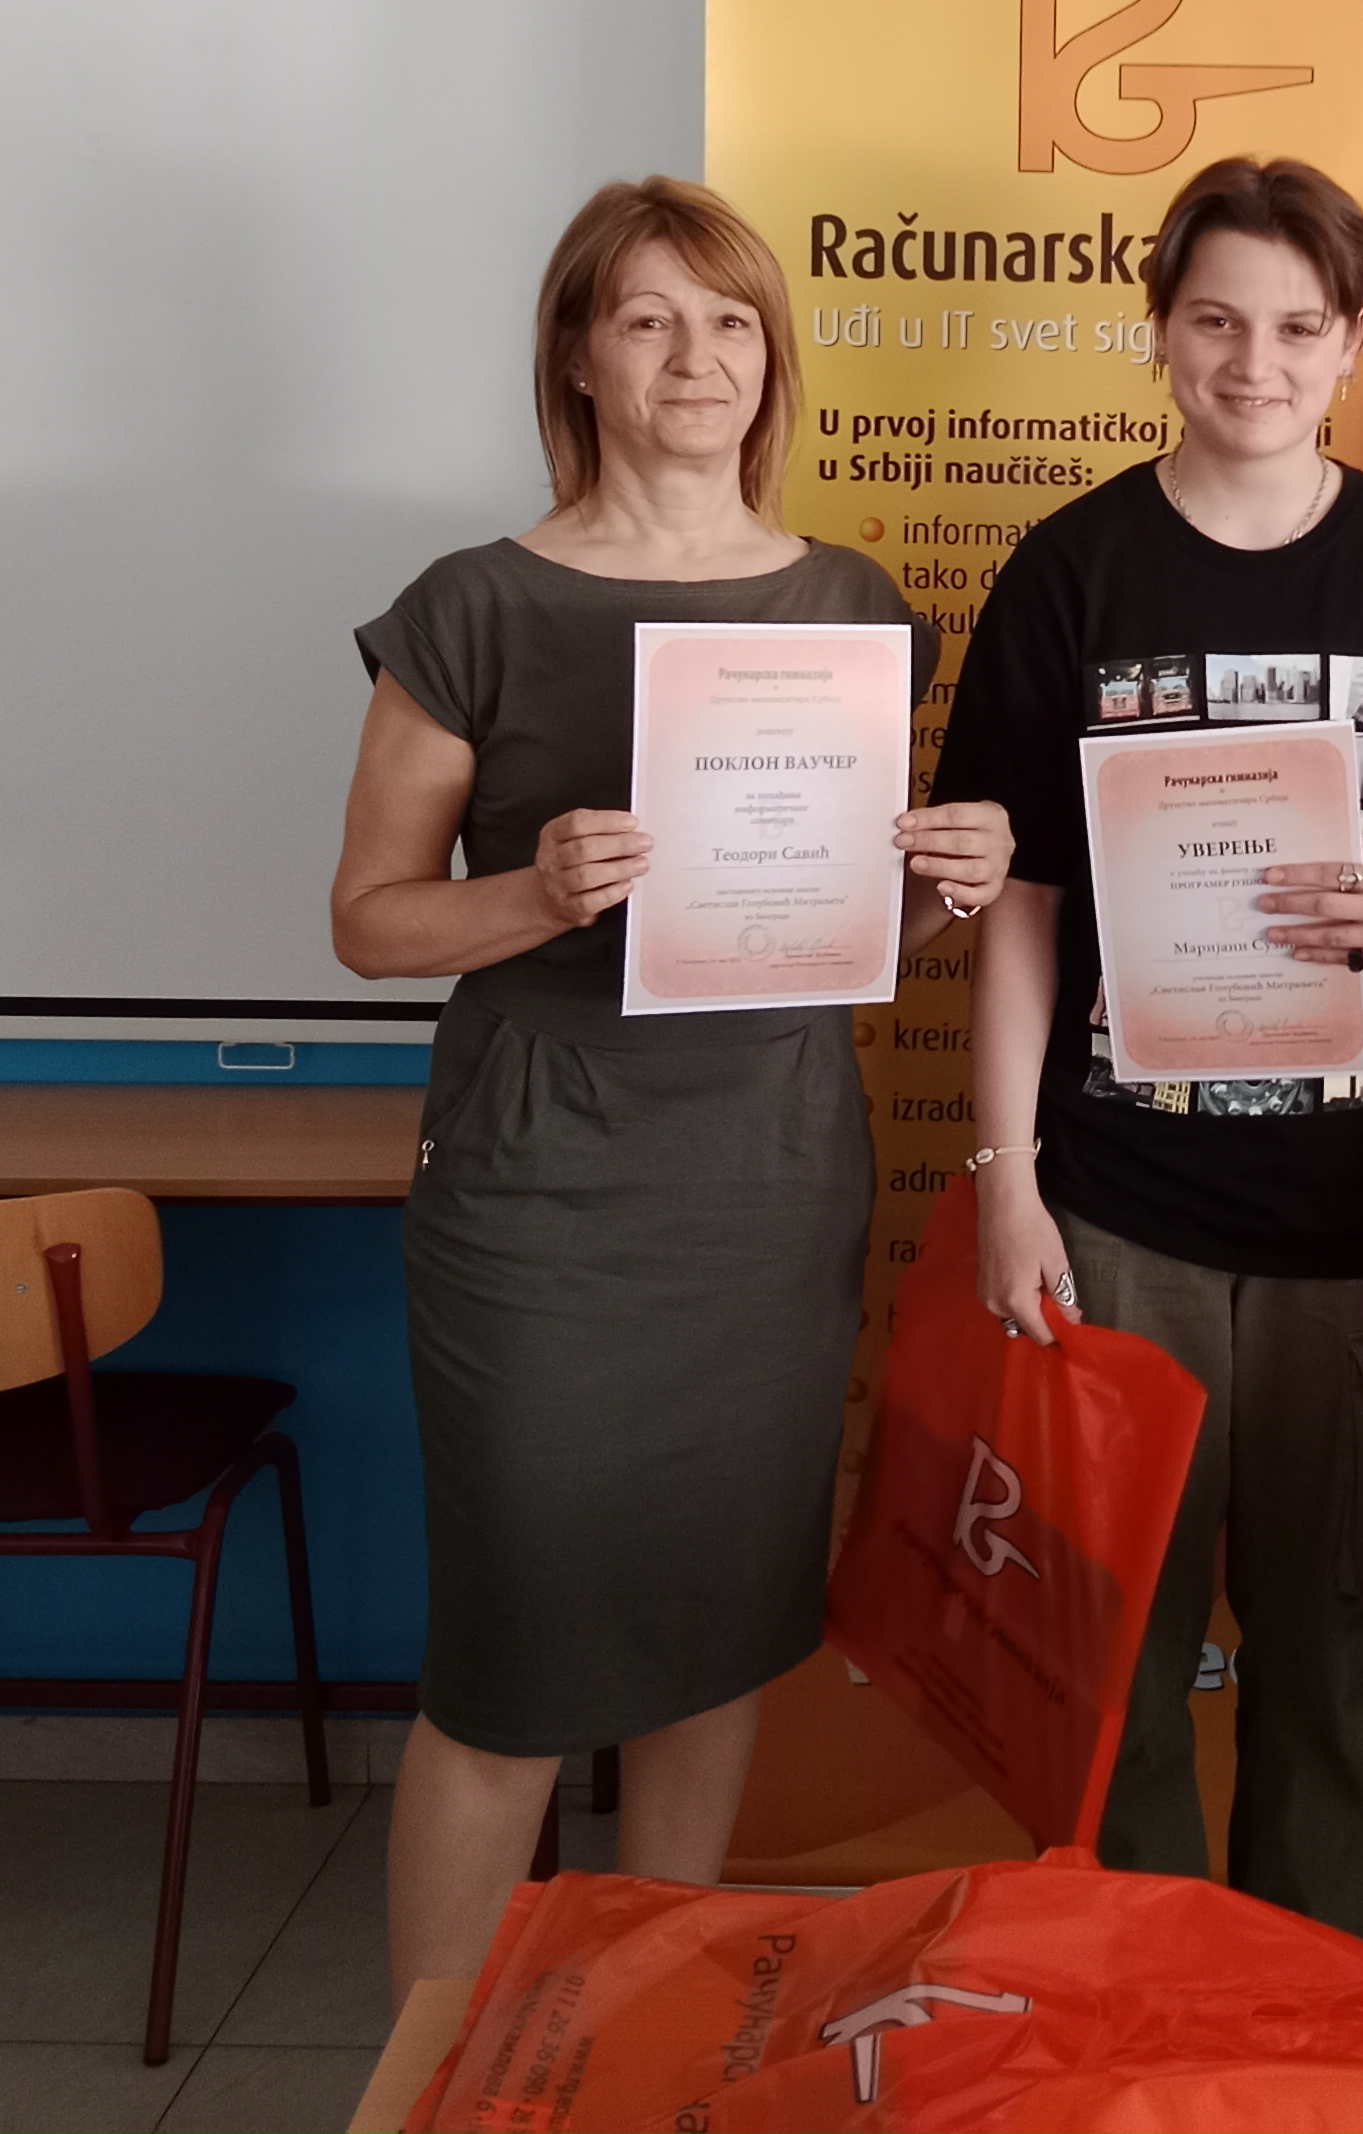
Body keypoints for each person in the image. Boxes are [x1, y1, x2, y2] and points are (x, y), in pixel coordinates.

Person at [332, 175, 1012, 1999]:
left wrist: (946, 888)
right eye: (648, 319)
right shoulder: (473, 606)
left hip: (769, 1184)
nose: (695, 356)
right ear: (579, 356)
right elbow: (370, 922)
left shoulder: (849, 601)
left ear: (770, 358)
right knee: (515, 1664)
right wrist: (533, 892)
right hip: (539, 1194)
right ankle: (432, 2083)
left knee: (718, 1638)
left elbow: (847, 930)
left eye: (728, 322)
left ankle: (643, 2035)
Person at [932, 156, 1363, 1958]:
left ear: (1356, 341)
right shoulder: (1073, 570)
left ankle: (1319, 2023)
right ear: (1159, 329)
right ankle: (1138, 2024)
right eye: (1215, 320)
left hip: (1362, 1225)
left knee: (1330, 1660)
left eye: (1295, 326)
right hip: (1123, 1214)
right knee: (1113, 1662)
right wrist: (1008, 1183)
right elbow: (1020, 899)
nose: (1253, 363)